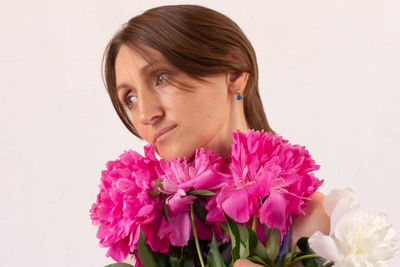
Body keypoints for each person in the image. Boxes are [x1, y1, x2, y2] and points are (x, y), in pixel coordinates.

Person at [102, 4, 330, 266]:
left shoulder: (311, 220)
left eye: (161, 78)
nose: (144, 114)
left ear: (233, 72)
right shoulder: (149, 226)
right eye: (130, 98)